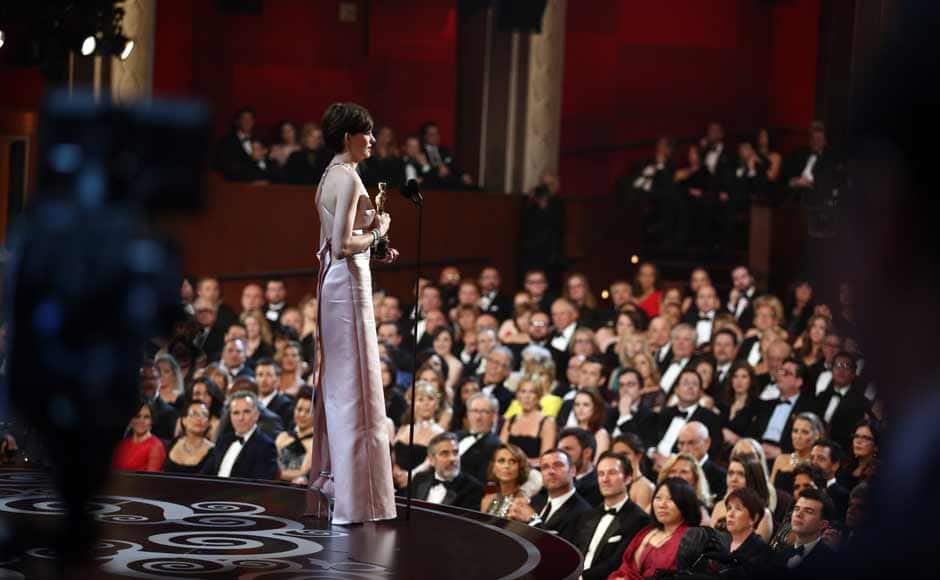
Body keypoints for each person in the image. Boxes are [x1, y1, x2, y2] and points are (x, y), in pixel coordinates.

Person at [609, 478, 708, 579]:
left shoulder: (694, 538)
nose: (662, 505)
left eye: (671, 499)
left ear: (685, 504)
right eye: (658, 498)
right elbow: (626, 568)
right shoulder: (647, 532)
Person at [574, 452, 651, 580]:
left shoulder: (639, 520)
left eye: (612, 473)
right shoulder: (587, 515)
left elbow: (617, 563)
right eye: (601, 474)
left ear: (628, 478)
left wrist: (581, 577)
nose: (605, 479)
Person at [507, 449, 590, 544]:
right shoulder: (535, 501)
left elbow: (562, 549)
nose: (551, 471)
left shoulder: (584, 512)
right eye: (545, 467)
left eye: (558, 465)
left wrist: (533, 520)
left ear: (573, 471)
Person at [201, 392, 278, 480]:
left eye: (246, 412)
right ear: (230, 416)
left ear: (256, 415)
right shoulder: (223, 441)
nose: (240, 418)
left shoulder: (266, 446)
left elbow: (261, 486)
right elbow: (204, 475)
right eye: (236, 413)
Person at [402, 432, 483, 510]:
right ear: (432, 460)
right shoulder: (419, 479)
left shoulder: (473, 488)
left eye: (455, 452)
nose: (452, 459)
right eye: (445, 453)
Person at [391, 380, 445, 488]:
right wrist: (394, 470)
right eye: (420, 399)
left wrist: (411, 475)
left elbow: (431, 461)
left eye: (430, 399)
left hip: (419, 485)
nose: (426, 403)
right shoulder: (404, 428)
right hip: (394, 481)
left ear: (437, 404)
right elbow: (392, 453)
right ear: (411, 403)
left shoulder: (439, 433)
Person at [710, 456, 774, 541]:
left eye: (741, 474)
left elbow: (756, 551)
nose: (734, 479)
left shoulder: (764, 514)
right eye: (731, 473)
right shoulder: (719, 506)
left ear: (753, 479)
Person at [771, 488, 836, 570]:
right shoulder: (780, 555)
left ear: (823, 524)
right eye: (796, 509)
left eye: (808, 511)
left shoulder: (832, 561)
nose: (798, 514)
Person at [499, 376, 556, 464]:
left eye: (532, 392)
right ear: (517, 395)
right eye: (523, 391)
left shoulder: (547, 423)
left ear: (539, 396)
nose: (527, 396)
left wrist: (520, 463)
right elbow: (500, 453)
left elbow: (546, 459)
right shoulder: (510, 421)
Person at [769, 412, 825, 493]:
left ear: (817, 435)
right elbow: (770, 491)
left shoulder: (817, 464)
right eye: (795, 431)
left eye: (805, 432)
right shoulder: (781, 459)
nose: (798, 437)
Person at [455, 393, 503, 484]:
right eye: (474, 411)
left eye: (484, 412)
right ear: (468, 414)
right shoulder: (455, 437)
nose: (478, 417)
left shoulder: (495, 445)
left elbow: (484, 480)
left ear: (493, 416)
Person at [722, 487, 772, 574]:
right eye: (729, 508)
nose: (730, 514)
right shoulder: (722, 541)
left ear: (754, 518)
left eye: (738, 509)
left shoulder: (760, 550)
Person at [112, 400, 166, 472]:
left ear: (152, 421)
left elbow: (151, 480)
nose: (141, 421)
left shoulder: (156, 446)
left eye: (146, 417)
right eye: (137, 416)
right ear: (131, 419)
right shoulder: (122, 444)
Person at [678, 421, 727, 501]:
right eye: (681, 443)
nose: (685, 449)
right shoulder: (672, 472)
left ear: (707, 443)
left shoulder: (721, 476)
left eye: (691, 443)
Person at [163, 399, 215, 474]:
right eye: (194, 414)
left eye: (204, 415)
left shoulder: (213, 451)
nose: (199, 418)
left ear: (208, 423)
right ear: (184, 420)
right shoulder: (173, 443)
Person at [275, 386, 314, 484]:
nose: (302, 414)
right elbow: (270, 465)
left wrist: (276, 473)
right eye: (299, 409)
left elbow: (303, 473)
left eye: (308, 411)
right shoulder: (282, 437)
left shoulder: (316, 443)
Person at [557, 427, 602, 506]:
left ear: (587, 453)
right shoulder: (554, 478)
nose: (560, 455)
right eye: (559, 450)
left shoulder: (600, 484)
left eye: (567, 449)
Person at [481, 443, 529, 517]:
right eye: (501, 461)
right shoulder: (487, 499)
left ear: (520, 467)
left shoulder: (523, 502)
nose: (506, 466)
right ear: (493, 466)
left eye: (512, 461)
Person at [719, 361, 761, 446]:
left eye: (744, 377)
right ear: (731, 380)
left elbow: (753, 439)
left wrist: (734, 439)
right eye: (735, 376)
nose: (739, 381)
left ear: (751, 380)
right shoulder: (722, 403)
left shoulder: (757, 406)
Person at [611, 434, 655, 512]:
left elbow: (640, 521)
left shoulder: (644, 487)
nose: (619, 458)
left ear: (638, 456)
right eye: (615, 455)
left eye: (624, 454)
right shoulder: (615, 484)